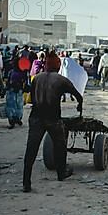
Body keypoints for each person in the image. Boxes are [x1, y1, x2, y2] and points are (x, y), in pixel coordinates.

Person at [22, 53, 83, 193]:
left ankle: (26, 182)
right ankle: (61, 173)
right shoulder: (61, 80)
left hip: (36, 117)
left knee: (31, 149)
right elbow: (78, 96)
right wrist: (80, 106)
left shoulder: (36, 78)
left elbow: (30, 96)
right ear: (59, 65)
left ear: (46, 65)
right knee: (60, 145)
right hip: (53, 119)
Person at [6, 59, 26, 129]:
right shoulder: (22, 72)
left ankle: (12, 121)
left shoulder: (11, 72)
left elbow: (8, 82)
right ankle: (18, 119)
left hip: (12, 90)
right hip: (19, 91)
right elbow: (24, 82)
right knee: (19, 106)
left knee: (11, 106)